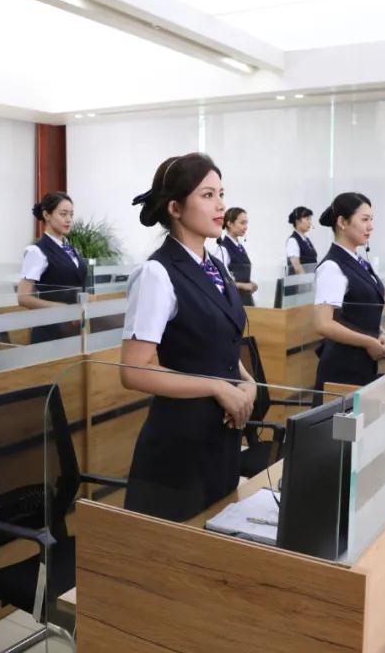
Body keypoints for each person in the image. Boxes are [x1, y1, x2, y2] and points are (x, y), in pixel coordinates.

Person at [120, 152, 257, 522]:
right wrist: (216, 387)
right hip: (178, 446)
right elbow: (133, 371)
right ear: (176, 208)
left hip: (220, 437)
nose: (221, 205)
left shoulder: (216, 267)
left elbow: (219, 343)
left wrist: (247, 381)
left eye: (221, 194)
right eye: (208, 195)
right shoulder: (157, 273)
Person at [313, 193, 385, 394]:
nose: (370, 226)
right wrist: (369, 341)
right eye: (364, 220)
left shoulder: (358, 260)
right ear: (342, 222)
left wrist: (379, 332)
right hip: (342, 368)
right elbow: (323, 324)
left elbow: (355, 312)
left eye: (371, 220)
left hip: (361, 364)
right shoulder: (332, 266)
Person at [17, 191, 88, 343]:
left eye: (71, 214)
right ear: (46, 215)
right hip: (50, 332)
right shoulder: (36, 251)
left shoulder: (71, 249)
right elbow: (23, 298)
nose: (69, 219)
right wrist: (62, 308)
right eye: (63, 214)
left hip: (74, 332)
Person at [215, 206, 257, 306]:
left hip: (245, 301)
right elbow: (219, 279)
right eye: (242, 223)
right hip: (232, 302)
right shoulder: (223, 249)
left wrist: (251, 284)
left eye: (246, 223)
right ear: (229, 224)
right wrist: (243, 286)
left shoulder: (240, 247)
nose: (245, 227)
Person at [285, 206, 317, 275]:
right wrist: (307, 280)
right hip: (300, 280)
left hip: (310, 278)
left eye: (310, 219)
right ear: (297, 221)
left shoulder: (306, 239)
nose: (310, 222)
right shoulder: (293, 241)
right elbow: (297, 268)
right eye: (307, 219)